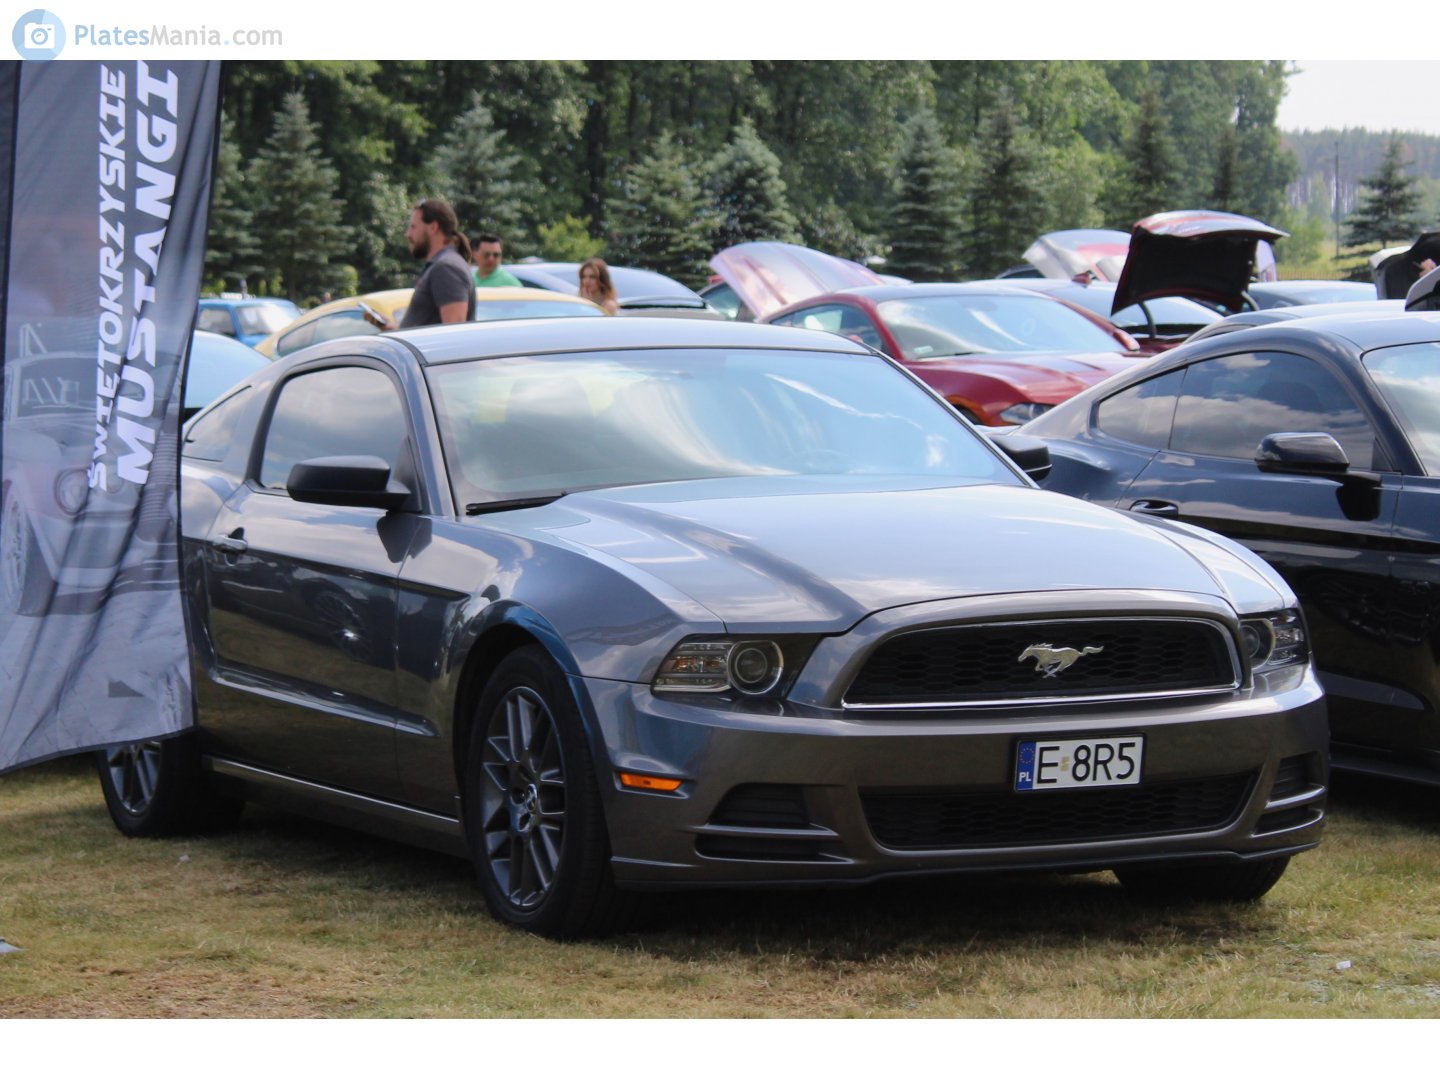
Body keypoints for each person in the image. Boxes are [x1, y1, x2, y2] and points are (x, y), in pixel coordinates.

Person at [381, 199, 475, 329]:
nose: (408, 234)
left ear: (433, 228)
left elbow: (454, 332)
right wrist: (393, 330)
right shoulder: (443, 265)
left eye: (413, 227)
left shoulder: (446, 268)